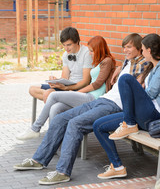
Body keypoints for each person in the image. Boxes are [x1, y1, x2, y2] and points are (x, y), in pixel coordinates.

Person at [14, 33, 148, 185]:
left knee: (75, 123)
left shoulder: (144, 65)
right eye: (124, 47)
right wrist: (118, 68)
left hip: (114, 106)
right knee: (60, 118)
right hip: (103, 99)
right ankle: (39, 160)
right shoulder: (129, 61)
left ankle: (62, 172)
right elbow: (122, 65)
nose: (125, 50)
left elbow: (142, 89)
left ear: (141, 49)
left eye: (129, 47)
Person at [16, 36, 115, 140]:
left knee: (53, 95)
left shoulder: (107, 61)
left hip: (94, 99)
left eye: (92, 51)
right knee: (56, 107)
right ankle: (51, 141)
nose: (90, 53)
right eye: (90, 51)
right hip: (87, 96)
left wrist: (78, 92)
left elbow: (97, 84)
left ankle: (35, 128)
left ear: (99, 49)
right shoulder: (99, 62)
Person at [93, 33, 160, 180]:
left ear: (149, 50)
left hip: (153, 115)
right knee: (98, 125)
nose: (141, 53)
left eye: (142, 49)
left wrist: (136, 93)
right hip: (141, 115)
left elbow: (150, 95)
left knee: (125, 79)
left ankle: (128, 124)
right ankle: (117, 167)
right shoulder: (151, 68)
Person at [29, 27, 92, 102]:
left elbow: (86, 81)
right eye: (64, 45)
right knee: (32, 89)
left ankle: (51, 96)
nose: (66, 48)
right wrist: (56, 81)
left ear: (77, 41)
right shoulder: (66, 54)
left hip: (78, 89)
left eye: (69, 45)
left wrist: (66, 88)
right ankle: (52, 97)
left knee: (49, 93)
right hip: (66, 87)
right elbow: (64, 77)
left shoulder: (87, 53)